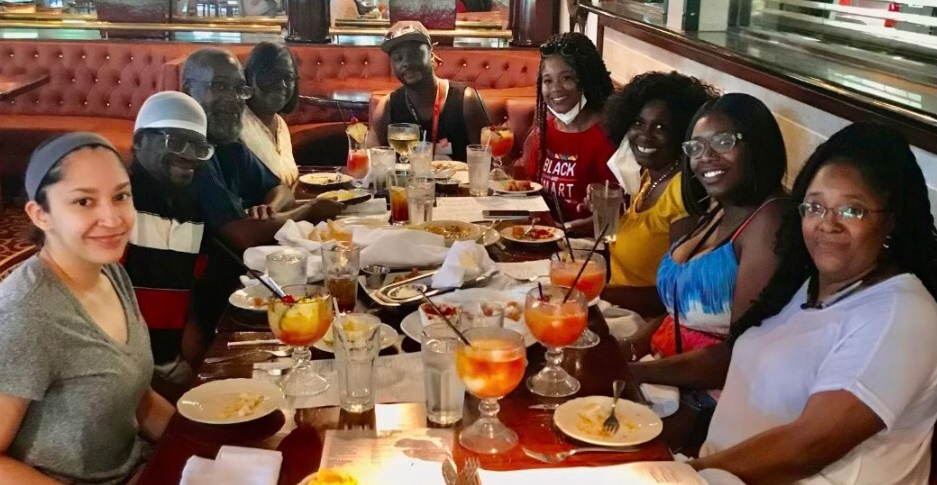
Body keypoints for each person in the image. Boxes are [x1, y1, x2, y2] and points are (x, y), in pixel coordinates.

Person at [633, 122, 937, 484]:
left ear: (891, 223)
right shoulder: (807, 284)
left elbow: (809, 444)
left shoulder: (902, 314)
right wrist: (636, 372)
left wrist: (678, 473)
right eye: (815, 207)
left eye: (852, 211)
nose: (828, 224)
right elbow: (736, 358)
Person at [0, 133, 174, 484]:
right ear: (40, 214)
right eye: (84, 202)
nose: (112, 219)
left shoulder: (110, 272)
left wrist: (208, 447)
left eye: (121, 196)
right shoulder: (26, 314)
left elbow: (141, 401)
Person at [632, 93, 788, 358]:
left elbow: (738, 353)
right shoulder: (717, 209)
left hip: (704, 396)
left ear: (758, 145)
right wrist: (625, 349)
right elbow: (675, 316)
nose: (706, 156)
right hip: (659, 375)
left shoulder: (770, 221)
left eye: (723, 142)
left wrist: (632, 373)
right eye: (696, 147)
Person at [182, 47, 342, 251]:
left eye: (239, 89)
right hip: (210, 278)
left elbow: (280, 189)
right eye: (220, 86)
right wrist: (307, 210)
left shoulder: (227, 139)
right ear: (188, 91)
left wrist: (270, 211)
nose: (233, 100)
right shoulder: (187, 150)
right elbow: (241, 236)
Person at [122, 92, 214, 392]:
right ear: (139, 141)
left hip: (171, 363)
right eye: (174, 142)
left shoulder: (192, 210)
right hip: (128, 370)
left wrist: (202, 367)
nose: (189, 156)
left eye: (200, 148)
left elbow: (188, 296)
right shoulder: (121, 208)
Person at [603, 71, 718, 289]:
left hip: (643, 319)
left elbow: (673, 294)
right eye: (638, 122)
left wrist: (597, 294)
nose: (645, 135)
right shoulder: (649, 176)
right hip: (612, 312)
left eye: (660, 127)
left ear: (682, 132)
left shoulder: (683, 193)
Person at [519, 32, 616, 224]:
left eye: (566, 78)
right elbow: (527, 190)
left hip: (585, 246)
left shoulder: (607, 136)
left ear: (587, 80)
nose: (555, 88)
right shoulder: (543, 132)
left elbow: (618, 213)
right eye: (548, 81)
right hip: (539, 235)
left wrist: (570, 228)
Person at [368, 21, 491, 162]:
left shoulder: (466, 100)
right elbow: (371, 162)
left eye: (414, 54)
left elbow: (488, 161)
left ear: (432, 56)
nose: (406, 63)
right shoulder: (388, 106)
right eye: (398, 58)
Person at [242, 42, 300, 186]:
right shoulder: (238, 127)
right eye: (272, 75)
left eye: (289, 78)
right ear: (250, 77)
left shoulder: (280, 124)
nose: (282, 85)